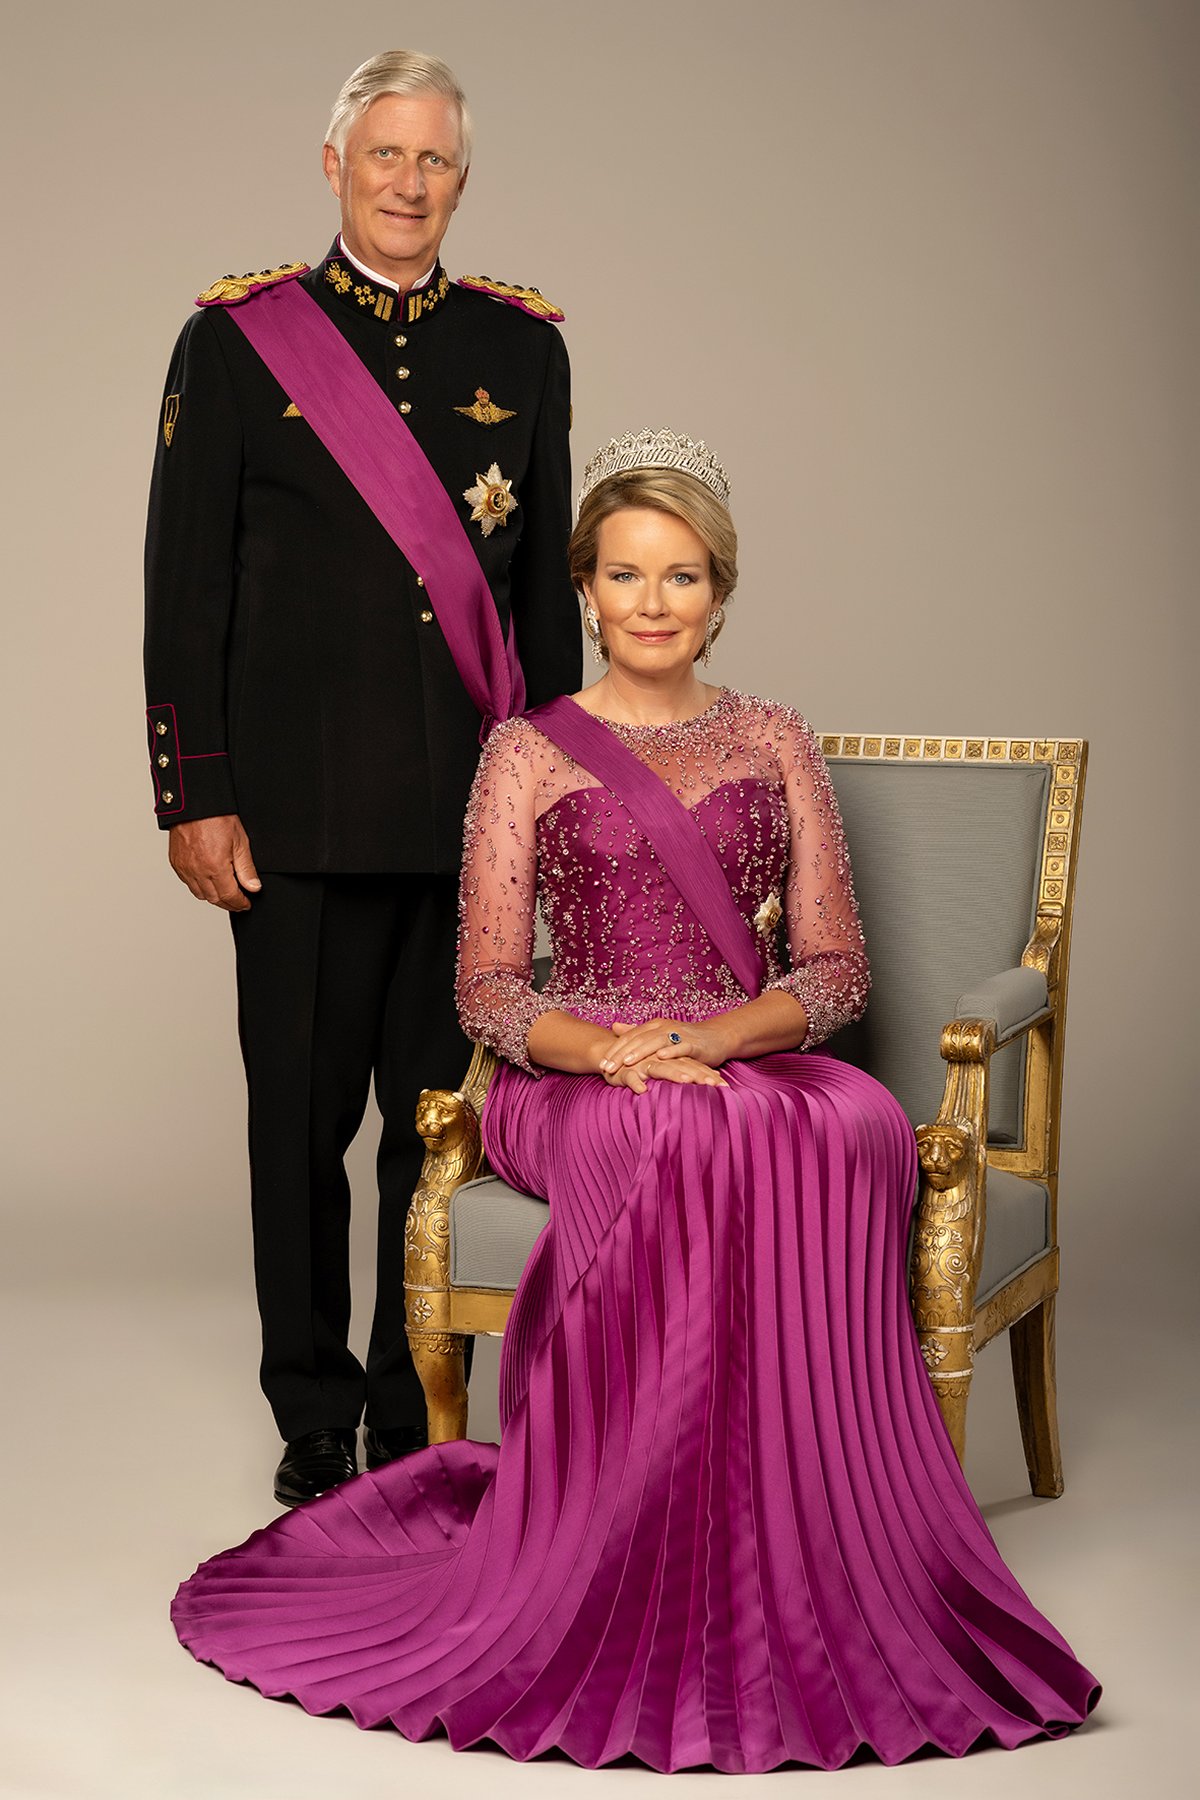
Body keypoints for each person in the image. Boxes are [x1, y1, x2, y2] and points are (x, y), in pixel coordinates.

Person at [171, 432, 1099, 1773]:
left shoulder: (773, 738)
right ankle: (621, 1532)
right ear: (587, 592)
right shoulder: (525, 753)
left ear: (720, 593)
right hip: (574, 1070)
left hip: (743, 1050)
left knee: (849, 1122)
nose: (652, 602)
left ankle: (782, 1523)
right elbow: (487, 990)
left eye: (681, 576)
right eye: (624, 574)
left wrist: (716, 1037)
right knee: (670, 1129)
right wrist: (605, 1054)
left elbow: (836, 973)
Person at [143, 49, 580, 1507]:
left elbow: (537, 624)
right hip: (292, 817)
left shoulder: (524, 353)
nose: (408, 183)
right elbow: (182, 590)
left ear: (463, 179)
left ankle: (414, 1396)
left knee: (435, 1134)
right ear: (334, 165)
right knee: (299, 1127)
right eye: (384, 155)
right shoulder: (237, 342)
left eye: (435, 161)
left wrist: (550, 808)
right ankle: (312, 1408)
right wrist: (193, 793)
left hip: (463, 818)